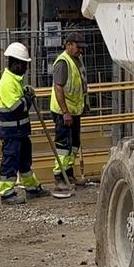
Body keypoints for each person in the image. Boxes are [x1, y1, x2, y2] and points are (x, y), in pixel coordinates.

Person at [0, 42, 45, 206]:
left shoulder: (15, 80)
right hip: (11, 133)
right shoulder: (7, 82)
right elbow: (18, 108)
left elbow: (19, 100)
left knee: (24, 161)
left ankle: (32, 188)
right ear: (16, 63)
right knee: (10, 160)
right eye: (24, 64)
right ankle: (6, 193)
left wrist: (25, 92)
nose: (25, 68)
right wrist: (28, 97)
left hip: (20, 131)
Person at [49, 32, 88, 198]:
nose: (81, 51)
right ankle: (59, 177)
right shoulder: (63, 62)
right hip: (63, 112)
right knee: (63, 146)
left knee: (73, 144)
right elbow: (59, 88)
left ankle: (69, 174)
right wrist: (65, 112)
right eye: (79, 47)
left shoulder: (76, 60)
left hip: (74, 110)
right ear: (69, 44)